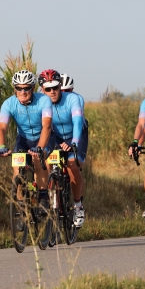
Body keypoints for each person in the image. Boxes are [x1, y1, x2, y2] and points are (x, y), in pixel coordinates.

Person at [0, 70, 52, 209]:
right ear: (15, 89)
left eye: (26, 88)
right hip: (23, 139)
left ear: (33, 88)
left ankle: (43, 195)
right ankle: (21, 208)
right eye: (19, 88)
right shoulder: (9, 104)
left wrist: (39, 147)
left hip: (43, 136)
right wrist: (1, 147)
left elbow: (47, 126)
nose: (22, 92)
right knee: (17, 169)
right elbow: (1, 128)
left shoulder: (44, 100)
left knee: (38, 159)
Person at [39, 69, 87, 228]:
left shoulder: (72, 99)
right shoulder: (39, 102)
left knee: (72, 166)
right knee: (46, 163)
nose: (52, 92)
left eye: (55, 88)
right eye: (48, 89)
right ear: (42, 90)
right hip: (54, 136)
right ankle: (51, 199)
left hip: (75, 134)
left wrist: (73, 142)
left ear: (60, 87)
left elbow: (78, 122)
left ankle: (78, 205)